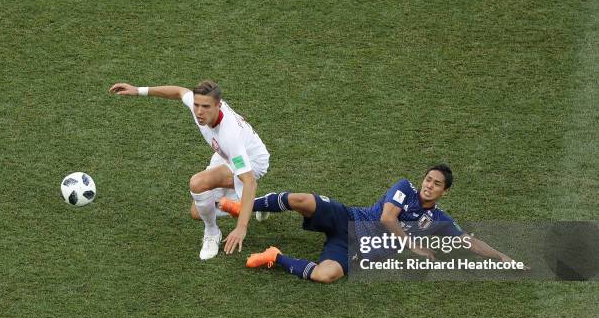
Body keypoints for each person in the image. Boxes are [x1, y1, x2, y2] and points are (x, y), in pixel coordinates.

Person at [220, 164, 525, 283]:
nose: (429, 186)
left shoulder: (438, 219)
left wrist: (502, 257)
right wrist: (413, 246)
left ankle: (275, 257)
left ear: (445, 191)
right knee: (302, 199)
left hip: (353, 245)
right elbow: (386, 218)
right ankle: (243, 206)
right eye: (428, 180)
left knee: (326, 276)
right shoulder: (405, 187)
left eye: (436, 184)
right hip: (349, 217)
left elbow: (467, 241)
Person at [109, 81, 269, 260]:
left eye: (206, 107)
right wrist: (138, 90)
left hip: (252, 161)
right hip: (225, 156)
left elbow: (249, 181)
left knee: (198, 183)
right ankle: (261, 203)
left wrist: (241, 228)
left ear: (218, 105)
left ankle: (212, 232)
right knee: (197, 212)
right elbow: (178, 91)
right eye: (196, 105)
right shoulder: (201, 108)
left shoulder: (230, 135)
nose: (199, 112)